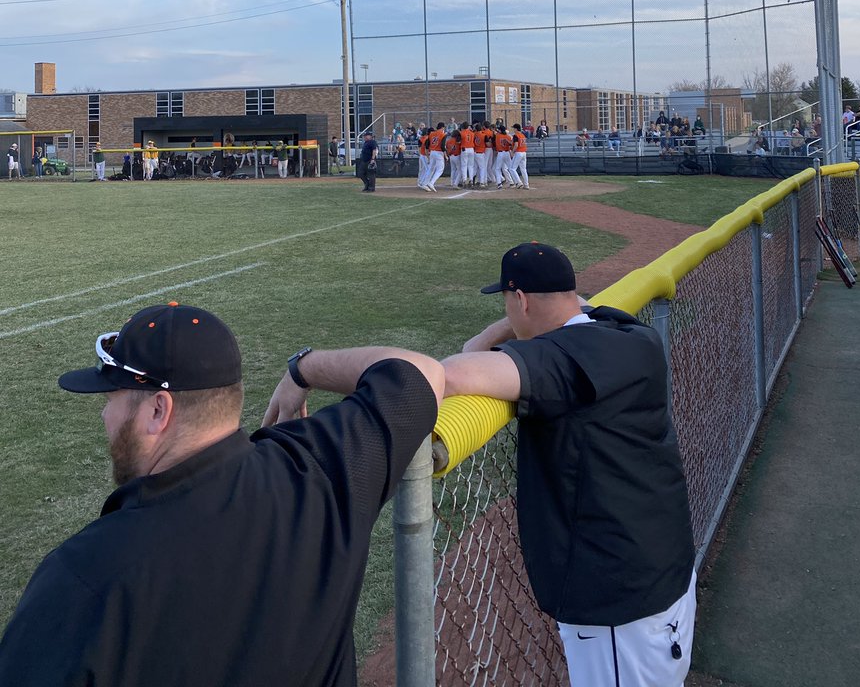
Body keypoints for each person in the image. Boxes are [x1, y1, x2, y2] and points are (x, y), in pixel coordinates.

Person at [0, 301, 443, 687]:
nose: (104, 414)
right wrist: (302, 368)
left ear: (158, 411)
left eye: (113, 396)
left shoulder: (84, 580)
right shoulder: (318, 473)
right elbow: (423, 372)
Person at [441, 244, 696, 687]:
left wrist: (306, 370)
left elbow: (449, 373)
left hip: (618, 606)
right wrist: (512, 323)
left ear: (519, 299)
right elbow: (578, 310)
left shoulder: (558, 361)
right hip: (665, 571)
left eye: (507, 299)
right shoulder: (632, 335)